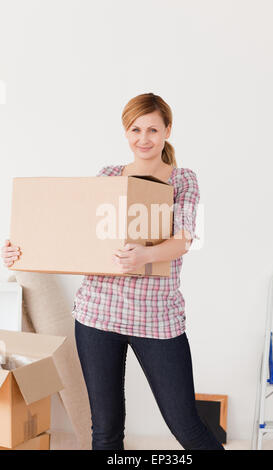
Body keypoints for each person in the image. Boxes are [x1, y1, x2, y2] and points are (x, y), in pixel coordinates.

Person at [1, 92, 225, 451]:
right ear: (126, 132)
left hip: (156, 318)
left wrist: (144, 256)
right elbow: (77, 234)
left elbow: (184, 240)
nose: (144, 138)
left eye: (153, 129)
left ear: (168, 129)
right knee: (104, 430)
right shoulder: (108, 176)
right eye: (135, 129)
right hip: (98, 316)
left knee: (186, 425)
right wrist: (21, 251)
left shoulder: (182, 179)